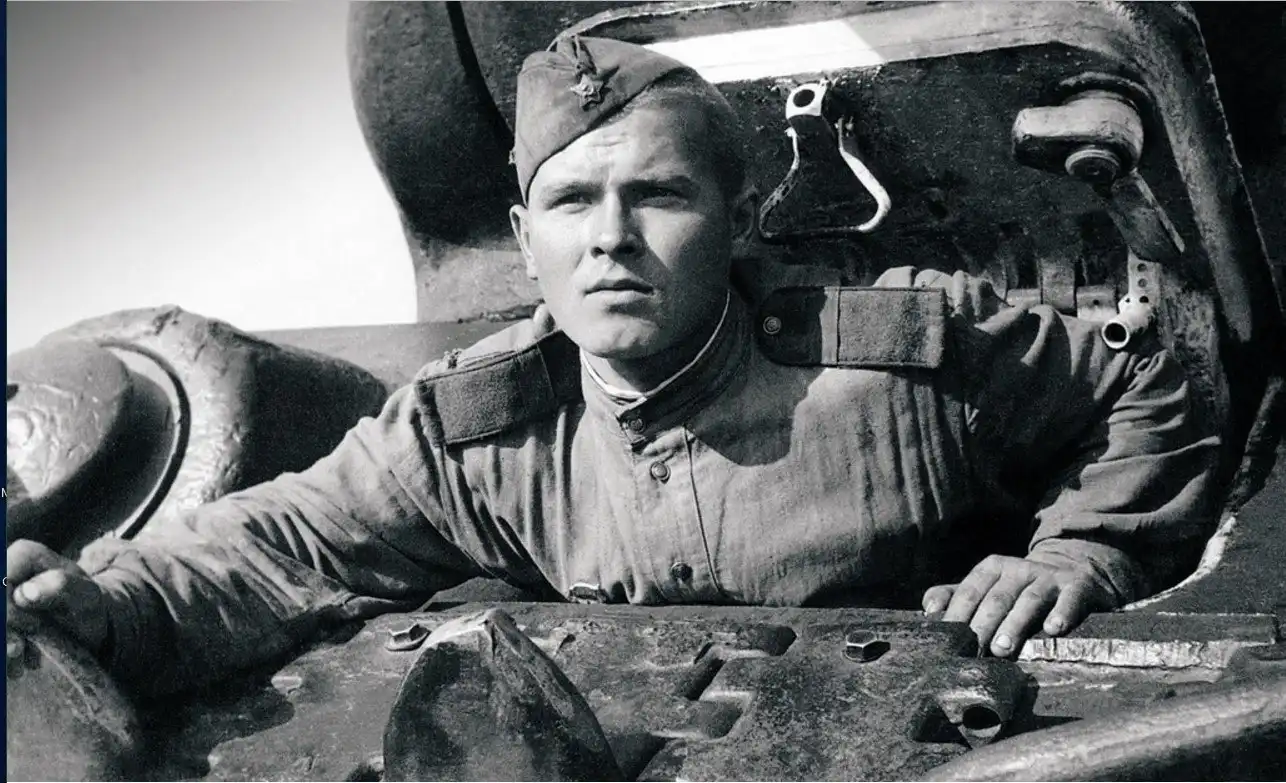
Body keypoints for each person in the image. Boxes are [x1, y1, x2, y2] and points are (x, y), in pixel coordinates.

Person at [6, 36, 1219, 698]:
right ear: (525, 237)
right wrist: (107, 605)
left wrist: (1077, 554)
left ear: (735, 221)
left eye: (659, 195)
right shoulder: (475, 428)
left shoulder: (901, 348)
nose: (611, 239)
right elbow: (277, 545)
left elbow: (1141, 388)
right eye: (572, 202)